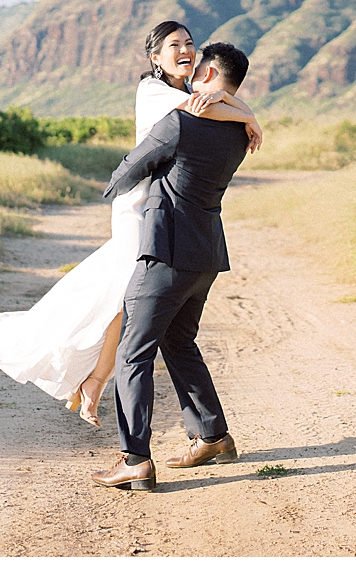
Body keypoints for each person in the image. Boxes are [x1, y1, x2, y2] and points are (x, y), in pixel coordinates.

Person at [0, 22, 261, 425]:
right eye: (174, 45)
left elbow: (207, 105)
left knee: (119, 298)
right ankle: (96, 383)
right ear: (155, 57)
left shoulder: (184, 93)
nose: (185, 50)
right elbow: (205, 108)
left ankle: (94, 382)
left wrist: (237, 108)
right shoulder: (152, 91)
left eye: (189, 43)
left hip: (158, 212)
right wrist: (248, 113)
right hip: (138, 210)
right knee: (125, 301)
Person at [89, 41, 252, 493]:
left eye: (197, 67)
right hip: (205, 255)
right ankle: (213, 436)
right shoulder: (240, 131)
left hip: (165, 252)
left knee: (133, 351)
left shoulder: (178, 122)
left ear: (207, 78)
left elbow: (130, 168)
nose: (190, 71)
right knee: (180, 342)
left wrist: (118, 191)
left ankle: (135, 458)